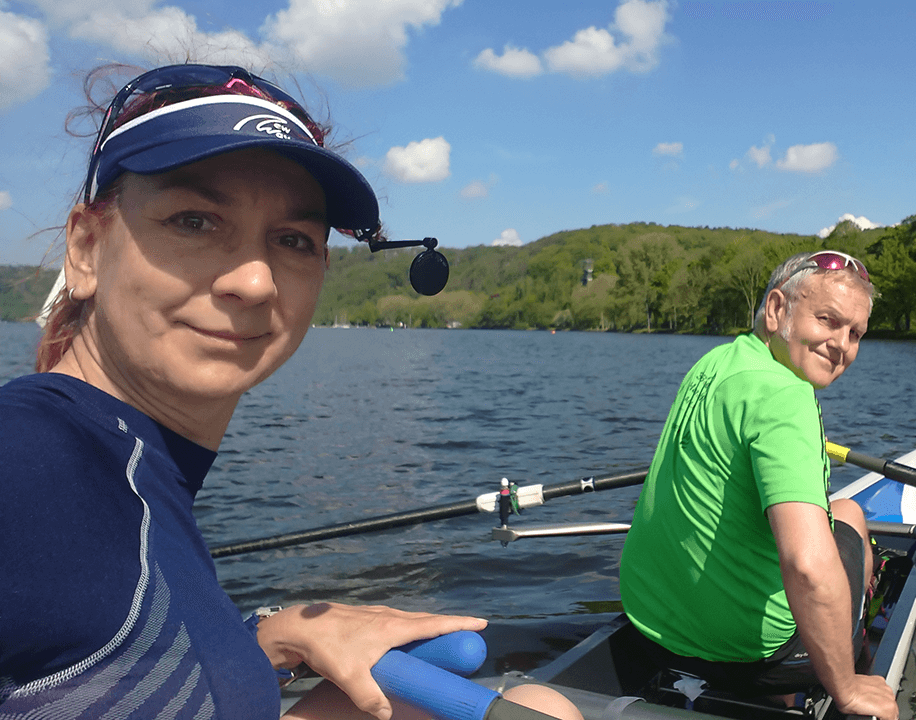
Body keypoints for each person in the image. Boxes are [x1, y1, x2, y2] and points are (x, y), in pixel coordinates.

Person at [0, 63, 574, 720]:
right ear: (86, 249)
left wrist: (257, 638)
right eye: (194, 220)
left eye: (293, 240)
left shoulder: (131, 470)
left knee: (542, 703)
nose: (254, 281)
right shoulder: (26, 459)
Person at [618, 251, 899, 720]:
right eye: (828, 320)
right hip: (747, 655)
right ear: (776, 310)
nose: (842, 345)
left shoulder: (718, 362)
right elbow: (807, 568)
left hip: (650, 625)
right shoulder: (786, 397)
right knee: (848, 512)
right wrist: (846, 688)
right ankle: (854, 658)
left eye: (855, 334)